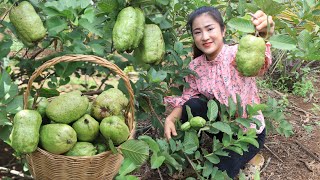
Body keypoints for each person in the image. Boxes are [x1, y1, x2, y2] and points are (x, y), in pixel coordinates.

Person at [163, 6, 275, 179]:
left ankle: (251, 158)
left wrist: (264, 34)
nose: (205, 37)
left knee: (219, 173)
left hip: (249, 133)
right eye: (198, 32)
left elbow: (259, 64)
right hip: (222, 128)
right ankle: (189, 153)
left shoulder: (237, 54)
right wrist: (171, 118)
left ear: (223, 31)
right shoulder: (195, 66)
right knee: (192, 105)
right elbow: (188, 97)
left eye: (210, 29)